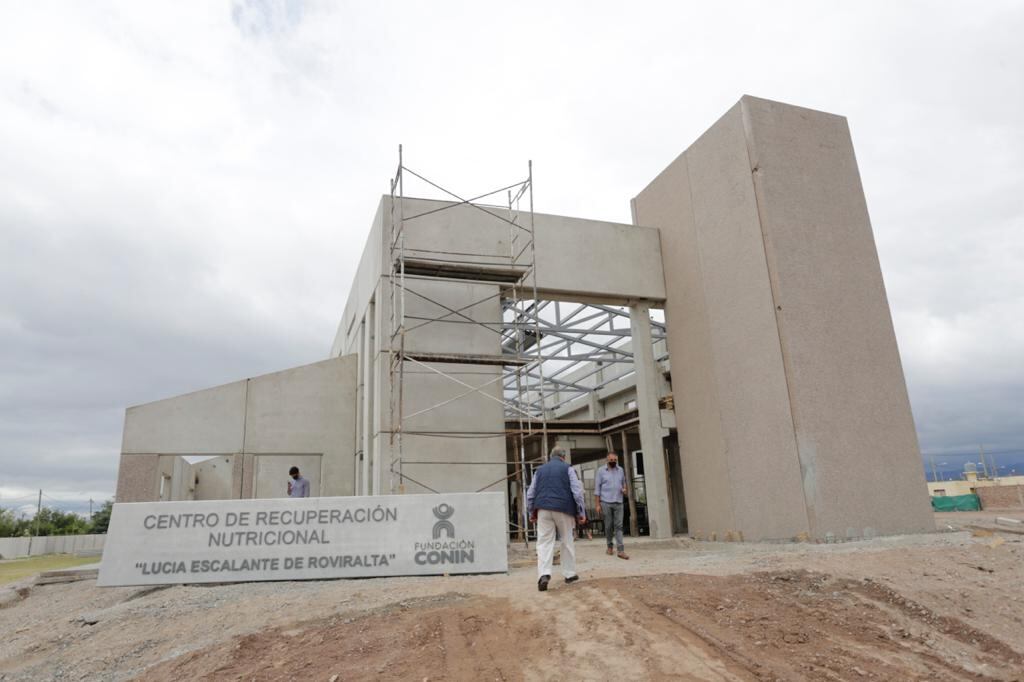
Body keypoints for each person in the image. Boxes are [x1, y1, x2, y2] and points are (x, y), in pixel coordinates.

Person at [526, 447, 586, 591]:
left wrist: (531, 512)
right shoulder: (568, 469)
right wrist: (581, 511)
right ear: (563, 457)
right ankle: (569, 574)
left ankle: (544, 575)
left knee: (544, 542)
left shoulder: (539, 470)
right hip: (563, 509)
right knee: (566, 540)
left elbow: (530, 493)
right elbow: (577, 492)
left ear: (550, 457)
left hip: (543, 509)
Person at [594, 452, 629, 559]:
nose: (613, 462)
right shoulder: (601, 471)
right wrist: (597, 505)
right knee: (608, 526)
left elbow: (624, 483)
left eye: (615, 460)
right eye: (611, 460)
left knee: (619, 526)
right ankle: (609, 546)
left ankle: (621, 550)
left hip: (618, 502)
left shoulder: (621, 470)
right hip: (605, 502)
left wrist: (624, 489)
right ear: (607, 460)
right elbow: (597, 489)